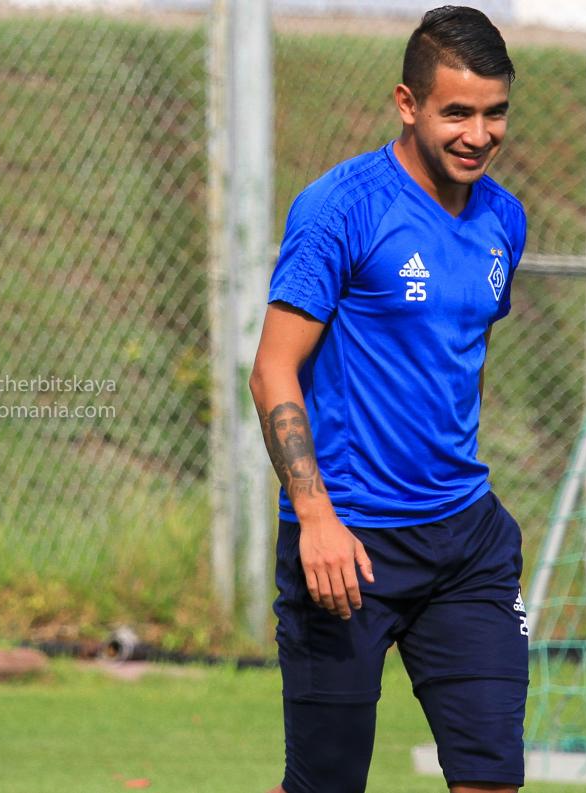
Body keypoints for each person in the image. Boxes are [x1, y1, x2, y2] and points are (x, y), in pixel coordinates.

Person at [249, 7, 528, 792]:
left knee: (491, 779)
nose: (479, 134)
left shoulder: (504, 219)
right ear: (408, 103)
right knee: (325, 784)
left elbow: (457, 356)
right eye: (457, 113)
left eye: (495, 112)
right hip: (348, 543)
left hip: (465, 544)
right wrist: (317, 518)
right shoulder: (342, 208)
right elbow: (272, 370)